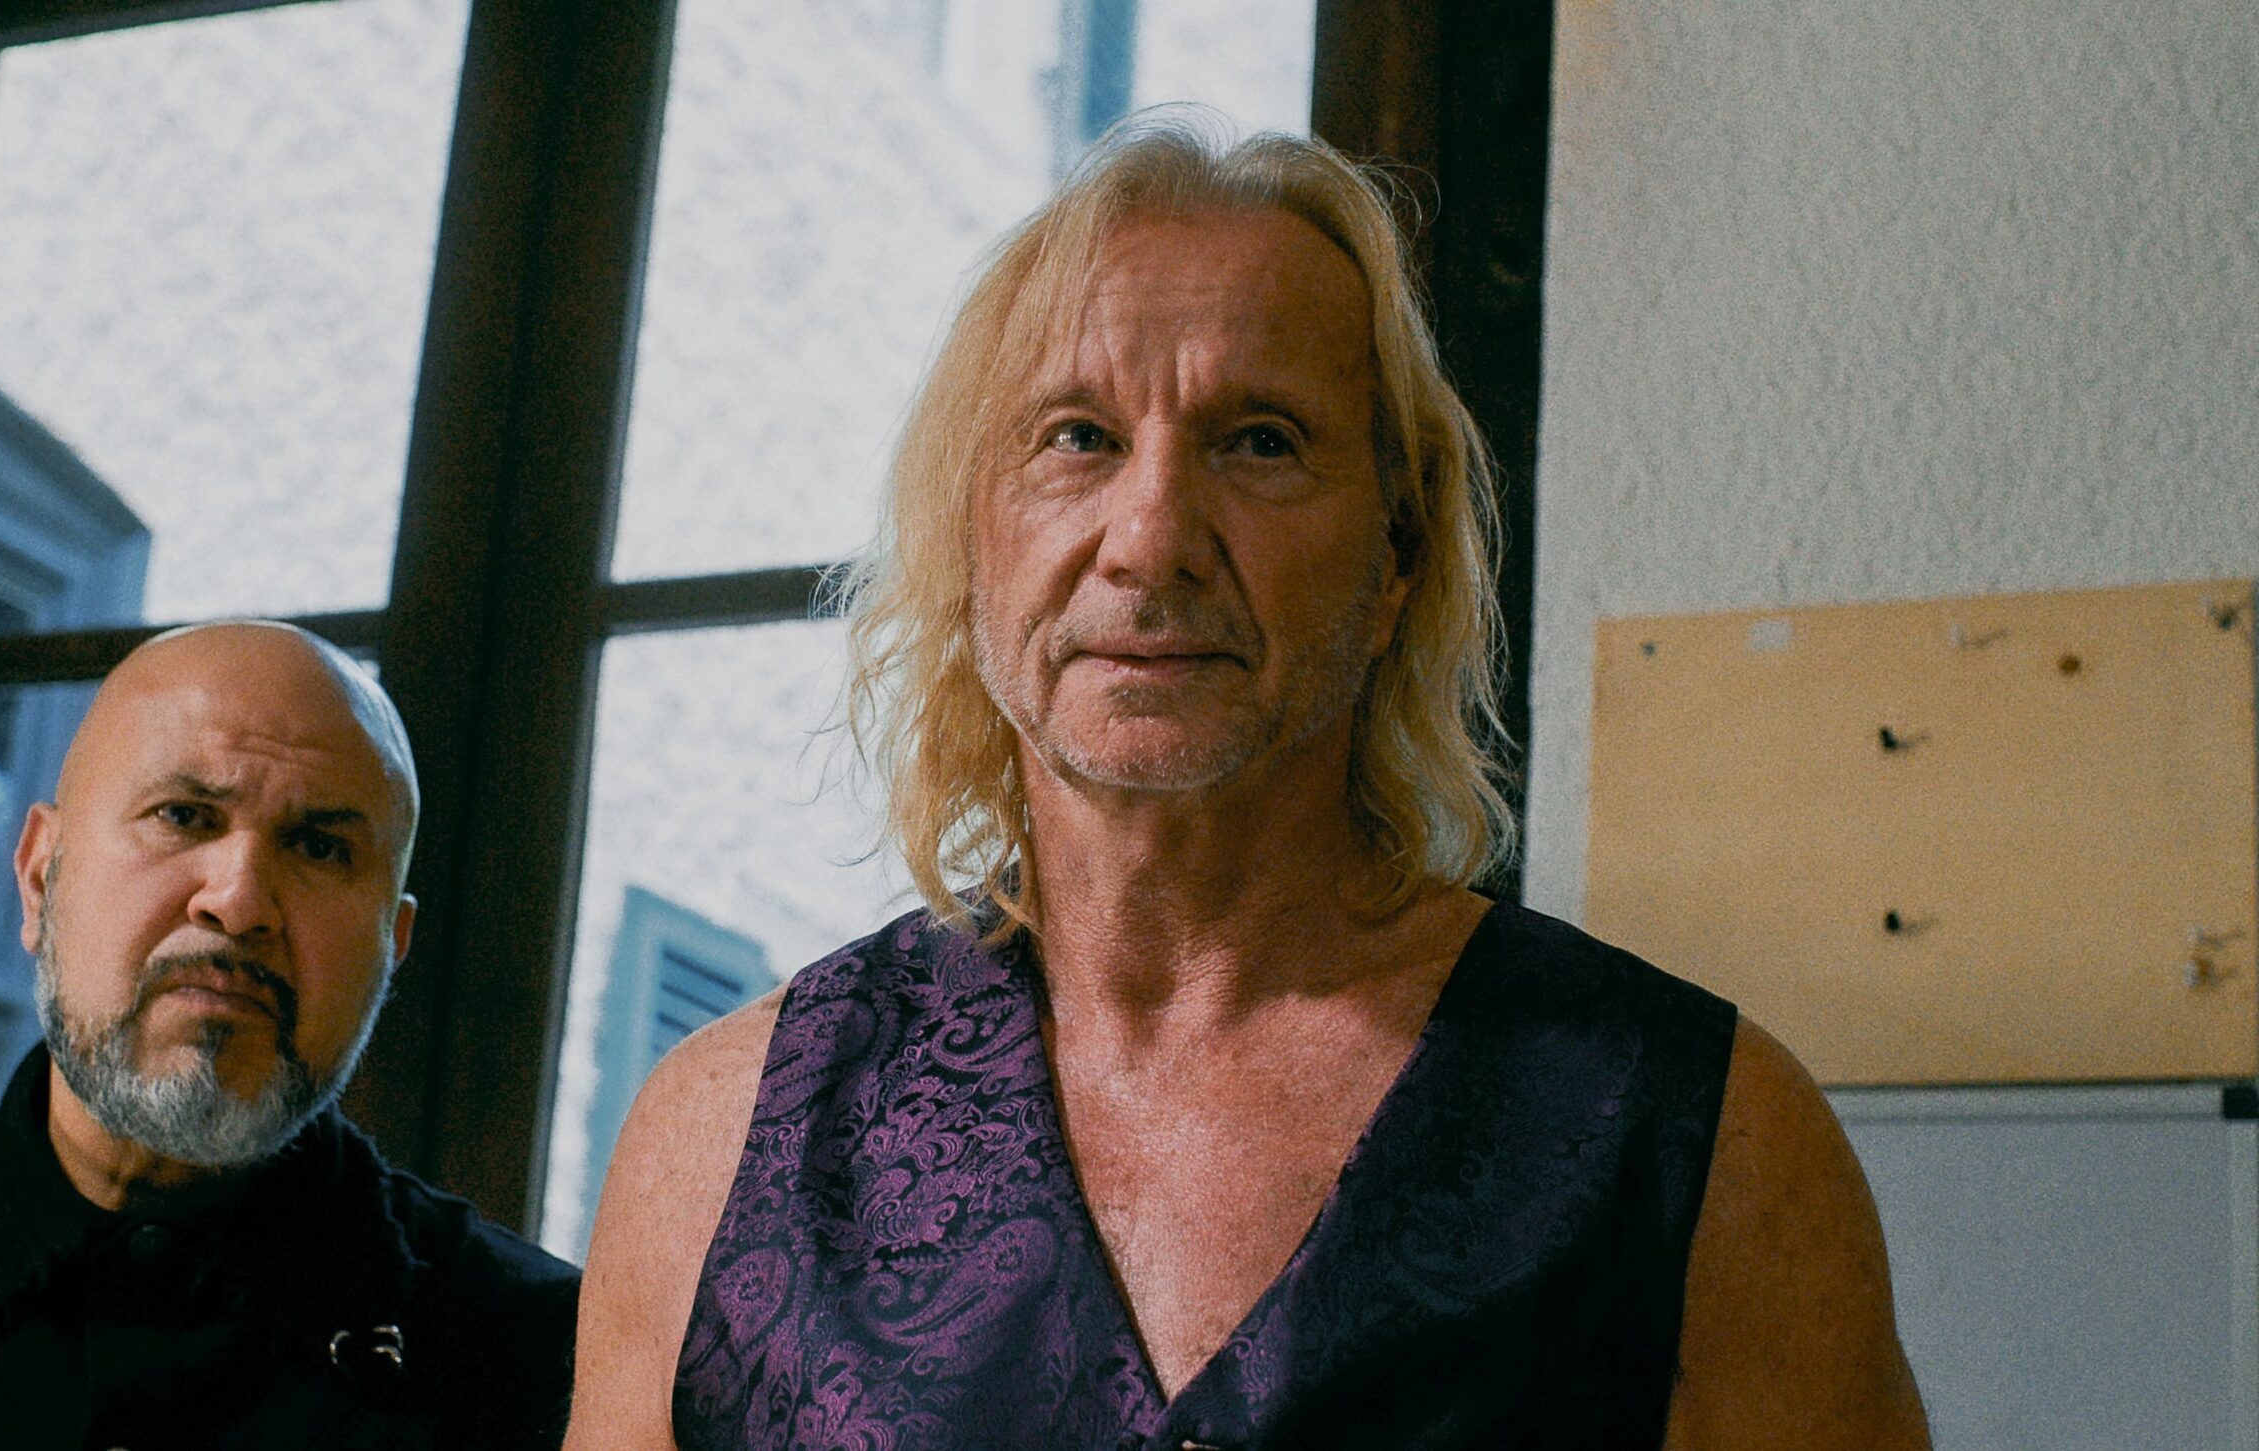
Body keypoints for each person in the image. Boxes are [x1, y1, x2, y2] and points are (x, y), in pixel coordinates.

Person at [568, 119, 1929, 1450]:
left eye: (1262, 440)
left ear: (1397, 558)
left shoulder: (1703, 1143)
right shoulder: (717, 1143)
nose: (1151, 537)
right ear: (973, 538)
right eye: (1077, 437)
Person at [0, 621, 580, 1449]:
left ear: (392, 947)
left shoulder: (550, 1369)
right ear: (40, 879)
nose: (238, 900)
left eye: (318, 846)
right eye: (184, 815)